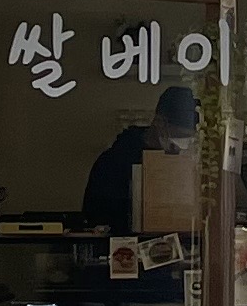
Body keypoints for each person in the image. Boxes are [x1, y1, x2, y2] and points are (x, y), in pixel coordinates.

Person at [83, 85, 198, 233]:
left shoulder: (190, 163)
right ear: (159, 123)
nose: (181, 146)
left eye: (190, 140)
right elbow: (96, 220)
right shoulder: (113, 163)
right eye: (180, 137)